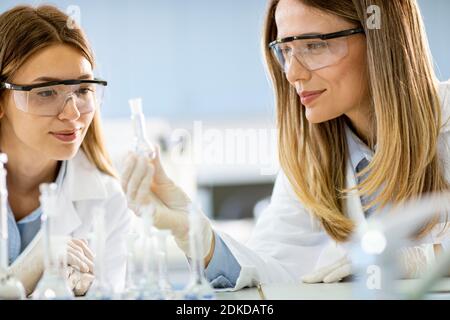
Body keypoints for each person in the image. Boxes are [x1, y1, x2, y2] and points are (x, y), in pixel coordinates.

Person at [121, 0, 450, 290]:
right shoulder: (314, 157)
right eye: (286, 49)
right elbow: (271, 269)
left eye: (314, 46)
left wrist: (418, 260)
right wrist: (195, 232)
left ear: (380, 38)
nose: (293, 73)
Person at [0, 5, 132, 295]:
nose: (72, 114)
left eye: (83, 90)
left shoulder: (106, 200)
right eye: (46, 92)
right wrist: (36, 263)